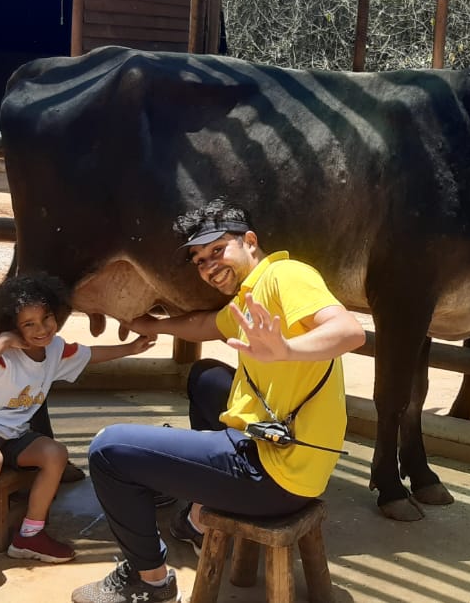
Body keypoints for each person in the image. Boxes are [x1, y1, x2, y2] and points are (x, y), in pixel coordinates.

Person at [70, 199, 365, 603]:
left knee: (108, 450)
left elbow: (350, 331)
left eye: (217, 250)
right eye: (199, 260)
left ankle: (150, 581)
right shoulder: (251, 294)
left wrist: (287, 350)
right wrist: (152, 325)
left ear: (250, 241)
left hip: (274, 474)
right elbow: (207, 324)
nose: (209, 266)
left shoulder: (286, 275)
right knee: (206, 377)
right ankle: (197, 517)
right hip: (292, 455)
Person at [0, 273, 156, 593]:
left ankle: (29, 535)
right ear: (13, 326)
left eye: (46, 318)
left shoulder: (56, 349)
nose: (42, 328)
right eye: (28, 324)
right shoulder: (3, 354)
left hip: (14, 433)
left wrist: (130, 348)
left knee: (55, 454)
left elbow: (89, 354)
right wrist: (2, 341)